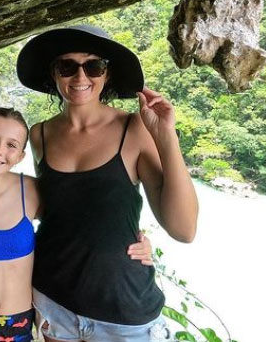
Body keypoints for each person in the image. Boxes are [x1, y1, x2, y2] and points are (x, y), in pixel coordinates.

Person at [17, 25, 199, 341]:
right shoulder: (39, 134)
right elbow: (58, 212)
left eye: (93, 66)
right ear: (54, 73)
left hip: (123, 309)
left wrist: (165, 135)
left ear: (107, 74)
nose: (80, 77)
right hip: (54, 298)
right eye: (67, 66)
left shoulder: (134, 129)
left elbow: (183, 229)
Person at [0, 107, 154, 342]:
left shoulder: (30, 190)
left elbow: (84, 222)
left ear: (21, 156)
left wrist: (136, 240)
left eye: (11, 145)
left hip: (18, 321)